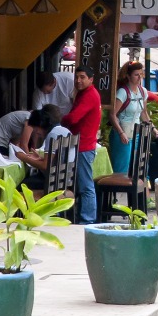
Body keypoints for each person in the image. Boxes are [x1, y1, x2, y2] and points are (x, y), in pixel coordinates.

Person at [62, 70, 102, 224]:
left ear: (91, 79)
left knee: (86, 186)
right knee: (83, 184)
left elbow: (73, 117)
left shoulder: (90, 95)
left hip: (84, 145)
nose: (78, 80)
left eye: (82, 77)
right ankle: (84, 216)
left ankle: (88, 219)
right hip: (81, 144)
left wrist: (61, 119)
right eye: (76, 77)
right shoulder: (83, 93)